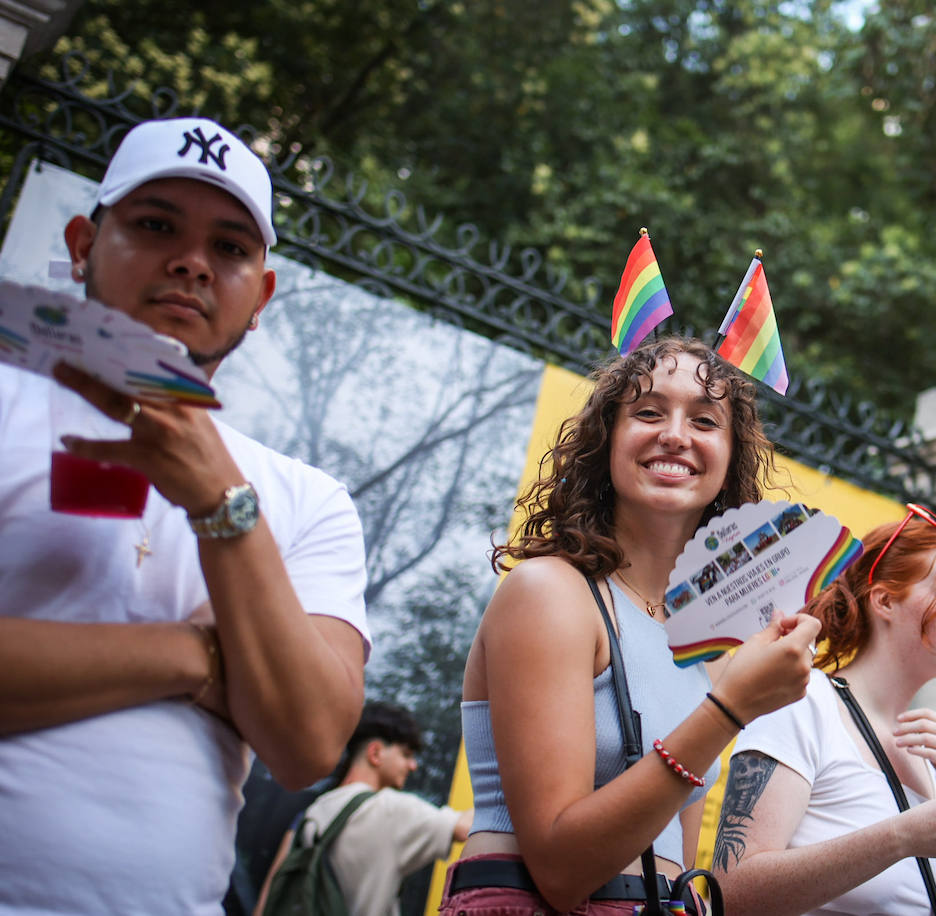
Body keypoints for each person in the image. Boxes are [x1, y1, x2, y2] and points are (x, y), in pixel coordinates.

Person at [0, 116, 370, 914]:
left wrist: (219, 503)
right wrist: (196, 657)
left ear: (260, 297)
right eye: (156, 225)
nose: (192, 262)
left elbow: (307, 741)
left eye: (230, 247)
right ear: (81, 245)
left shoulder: (308, 499)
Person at [441, 335, 821, 915]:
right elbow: (561, 872)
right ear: (607, 441)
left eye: (704, 420)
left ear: (730, 461)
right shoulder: (550, 592)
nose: (675, 435)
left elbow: (678, 859)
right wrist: (730, 710)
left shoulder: (708, 643)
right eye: (648, 412)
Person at [712, 503, 936, 916]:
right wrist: (900, 837)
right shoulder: (804, 701)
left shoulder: (929, 757)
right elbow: (730, 892)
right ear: (885, 602)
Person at [254, 701, 474, 916]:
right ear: (375, 753)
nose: (412, 766)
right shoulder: (390, 809)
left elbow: (269, 899)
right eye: (406, 754)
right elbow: (465, 827)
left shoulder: (311, 813)